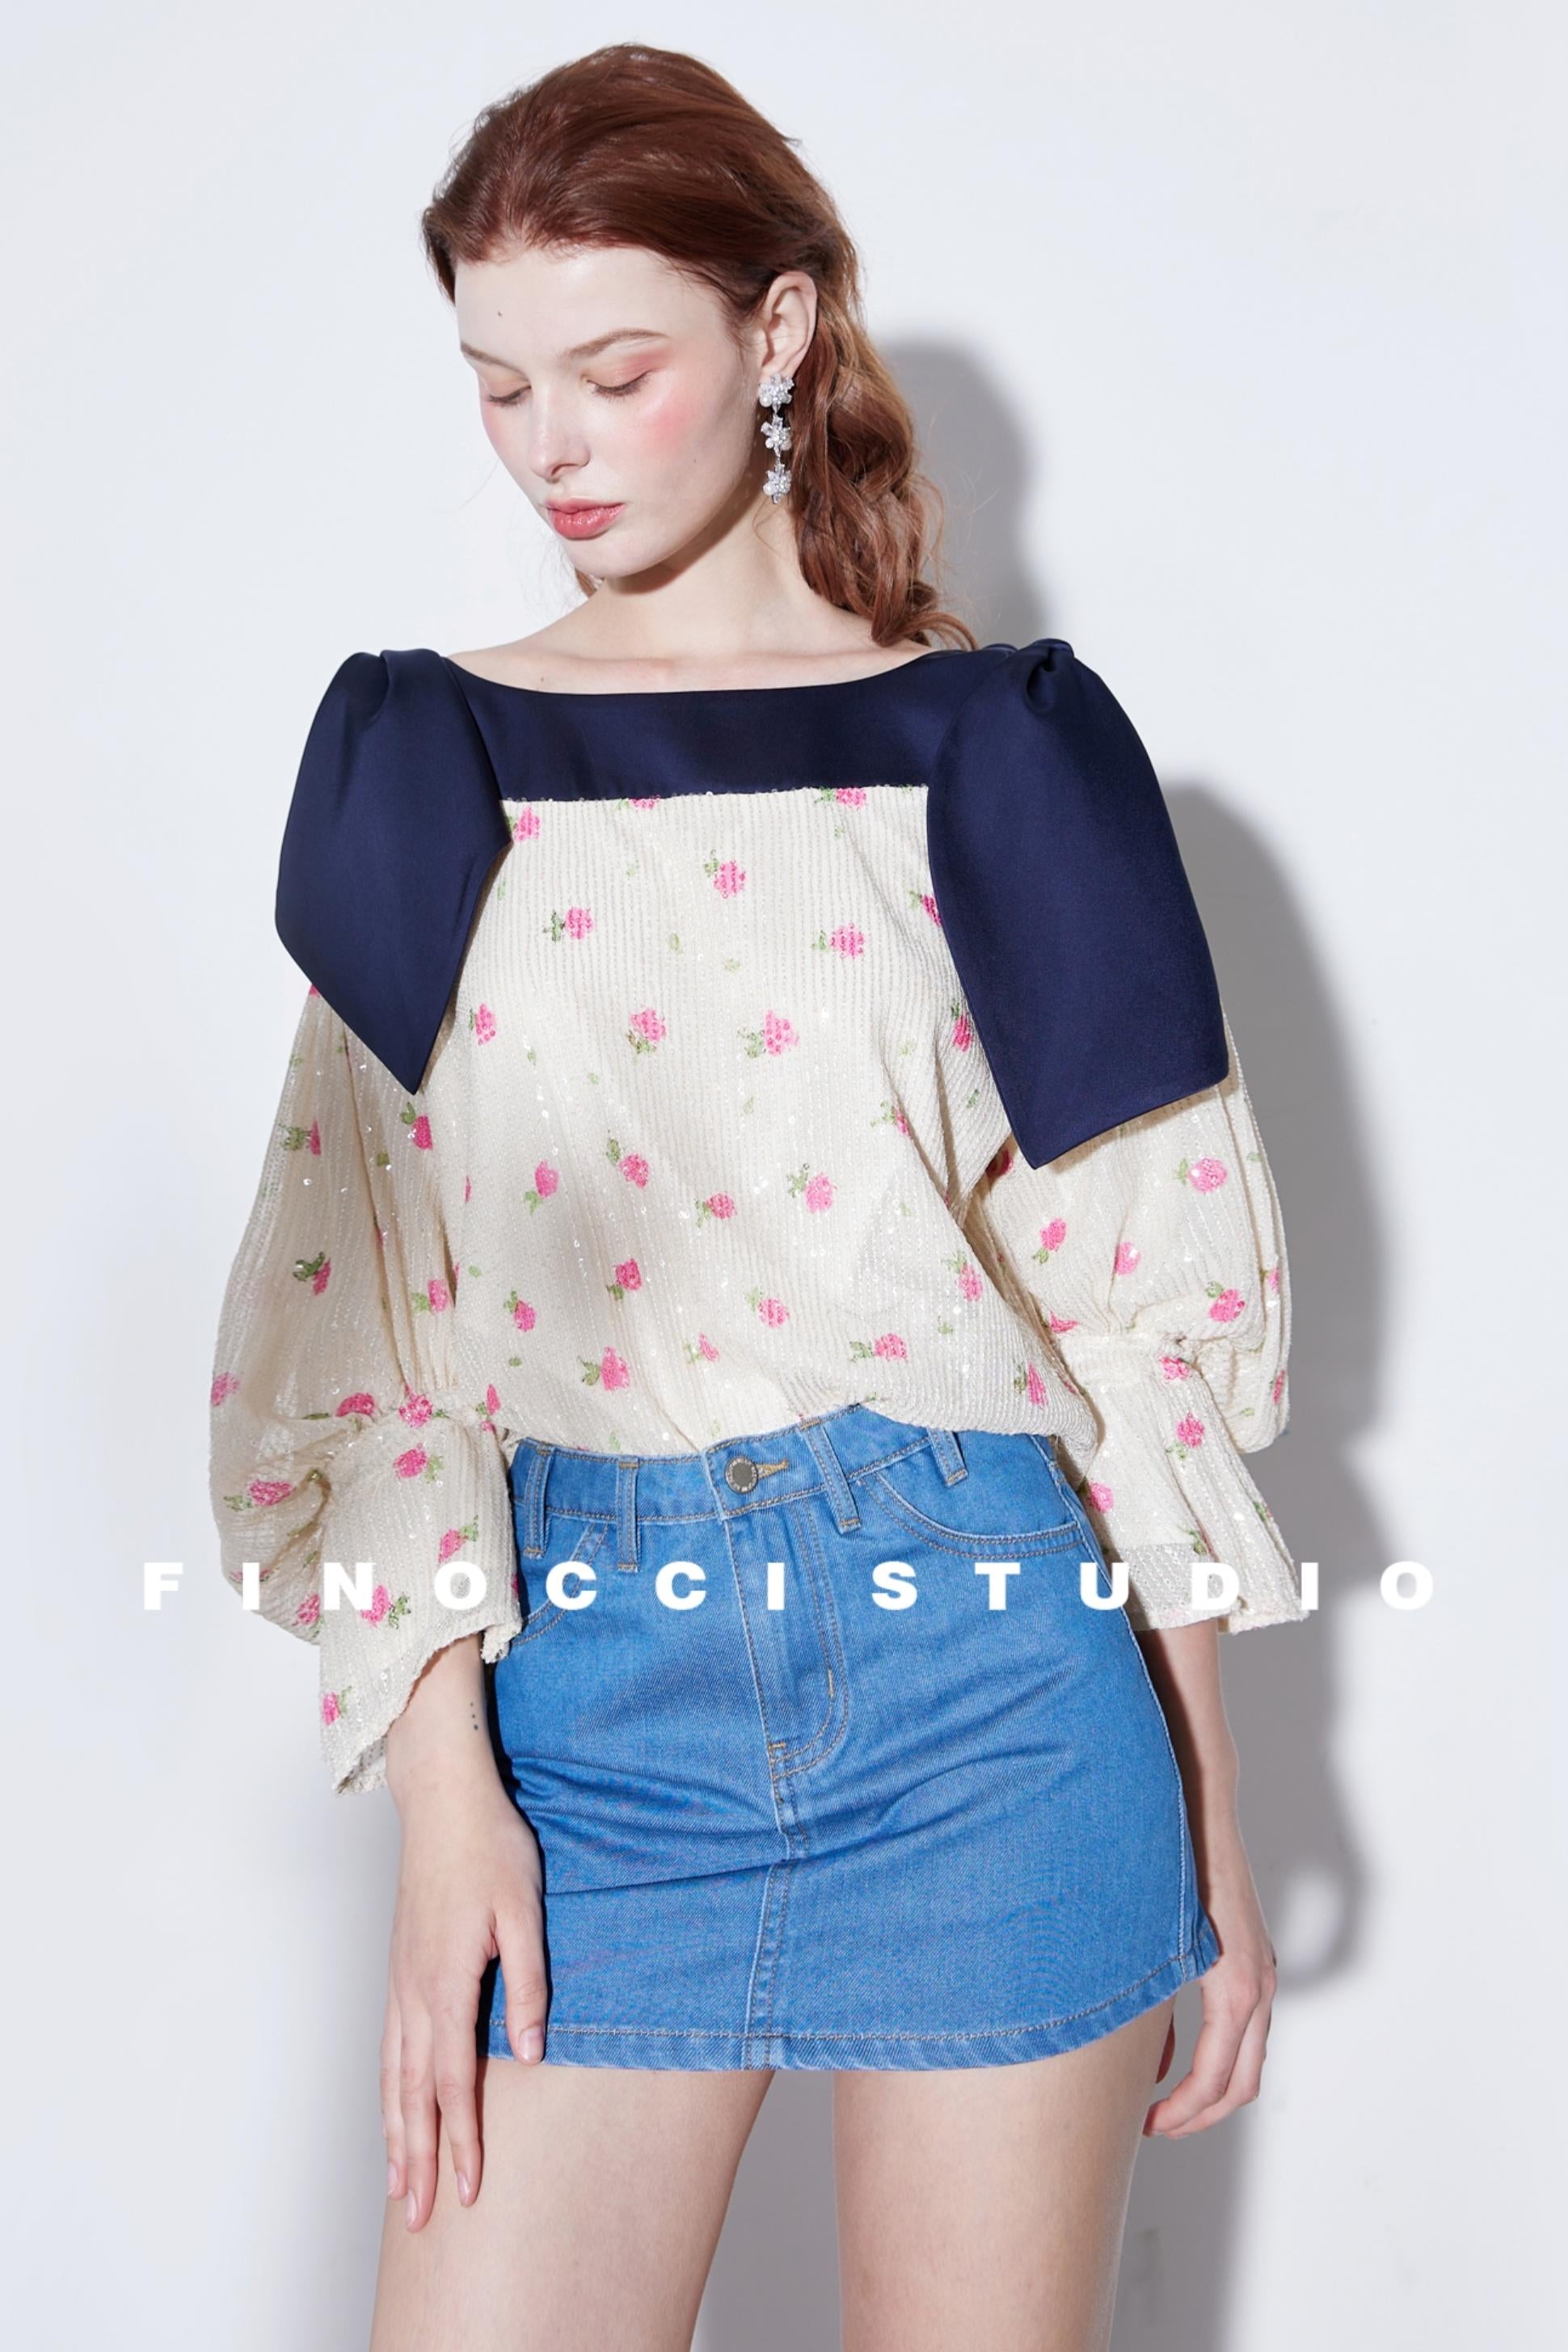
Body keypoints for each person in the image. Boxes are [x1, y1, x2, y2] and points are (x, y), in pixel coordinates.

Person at [207, 43, 1306, 2352]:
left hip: (994, 1690)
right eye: (499, 385)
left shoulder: (1006, 750)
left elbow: (1138, 1307)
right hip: (579, 1707)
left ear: (778, 329)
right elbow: (359, 1326)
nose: (553, 446)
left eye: (616, 373)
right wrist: (443, 1802)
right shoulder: (426, 754)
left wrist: (1212, 1806)